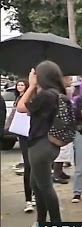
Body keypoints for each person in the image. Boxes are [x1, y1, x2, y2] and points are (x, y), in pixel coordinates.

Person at [16, 62, 67, 227]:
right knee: (36, 184)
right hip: (50, 144)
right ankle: (42, 223)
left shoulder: (46, 95)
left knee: (44, 187)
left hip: (40, 145)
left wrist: (31, 86)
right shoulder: (55, 94)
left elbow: (21, 107)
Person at [11, 79, 36, 212]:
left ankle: (35, 195)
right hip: (24, 134)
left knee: (38, 167)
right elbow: (20, 110)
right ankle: (28, 199)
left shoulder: (40, 96)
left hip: (37, 134)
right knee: (28, 165)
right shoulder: (22, 98)